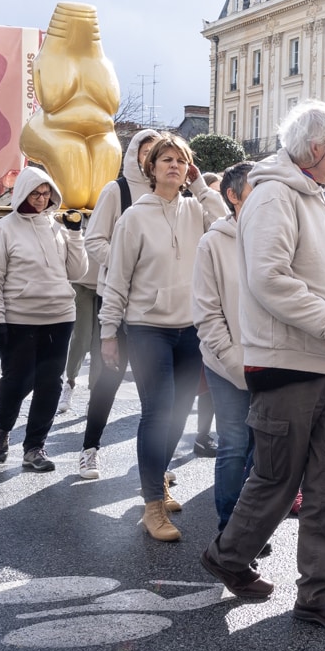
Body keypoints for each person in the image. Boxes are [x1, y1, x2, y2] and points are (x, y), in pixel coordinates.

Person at [200, 101, 325, 637]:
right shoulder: (274, 195)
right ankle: (229, 555)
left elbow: (322, 276)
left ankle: (318, 594)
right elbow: (269, 278)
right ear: (315, 148)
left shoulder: (314, 195)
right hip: (289, 361)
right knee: (278, 478)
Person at [99, 132, 228, 541]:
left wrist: (201, 186)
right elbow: (117, 278)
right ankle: (152, 505)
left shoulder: (196, 209)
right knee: (158, 411)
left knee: (179, 411)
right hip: (147, 327)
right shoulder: (134, 217)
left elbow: (229, 224)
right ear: (150, 168)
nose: (174, 166)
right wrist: (108, 331)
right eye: (166, 160)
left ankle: (157, 479)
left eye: (181, 160)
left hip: (191, 327)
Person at [0, 166, 87, 470]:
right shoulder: (4, 229)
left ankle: (34, 447)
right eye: (35, 194)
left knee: (50, 384)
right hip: (19, 318)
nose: (41, 199)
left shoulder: (58, 228)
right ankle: (2, 429)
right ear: (22, 194)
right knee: (17, 381)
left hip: (60, 316)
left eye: (46, 194)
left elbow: (78, 272)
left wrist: (75, 235)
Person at [75, 127, 160, 468]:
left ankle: (156, 465)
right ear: (135, 154)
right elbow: (94, 240)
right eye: (146, 152)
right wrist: (125, 262)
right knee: (109, 376)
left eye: (158, 153)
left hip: (157, 305)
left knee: (156, 386)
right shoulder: (117, 190)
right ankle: (90, 449)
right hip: (118, 298)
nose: (151, 159)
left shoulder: (173, 195)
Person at [191, 161, 256, 527]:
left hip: (272, 362)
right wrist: (232, 361)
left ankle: (252, 525)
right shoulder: (212, 243)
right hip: (226, 363)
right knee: (233, 443)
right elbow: (207, 312)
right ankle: (229, 528)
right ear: (232, 196)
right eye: (255, 190)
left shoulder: (279, 235)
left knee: (261, 448)